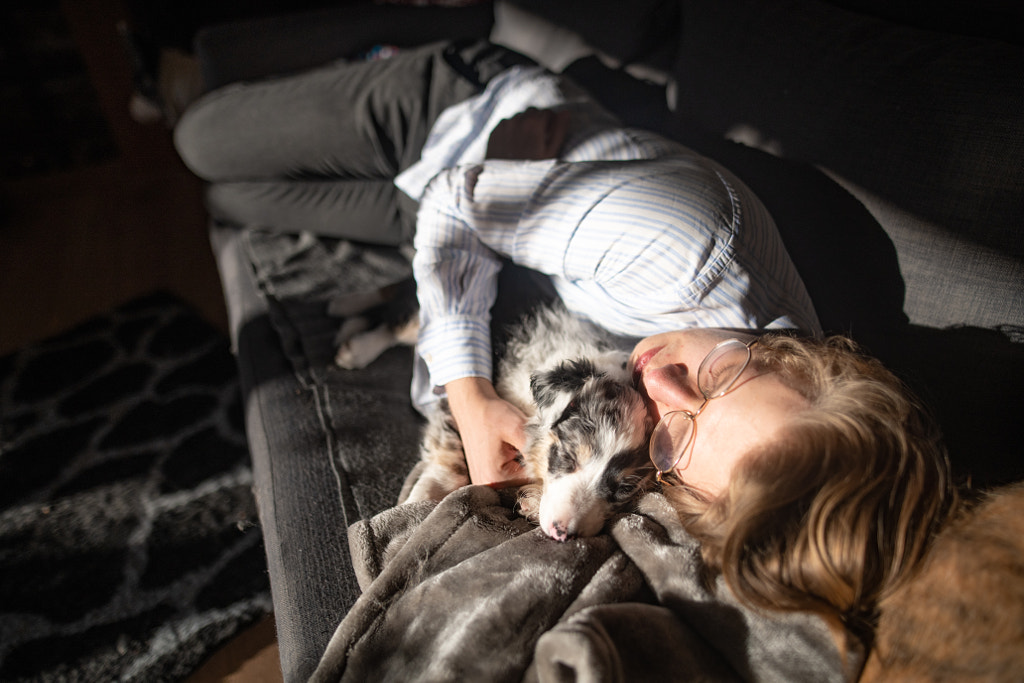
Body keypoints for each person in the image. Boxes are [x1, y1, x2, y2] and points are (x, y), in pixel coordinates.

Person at [174, 38, 955, 637]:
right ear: (806, 359)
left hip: (480, 220)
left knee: (233, 198)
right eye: (723, 375)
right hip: (466, 123)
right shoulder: (676, 243)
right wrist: (471, 397)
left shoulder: (748, 460)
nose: (660, 382)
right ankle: (393, 45)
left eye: (674, 445)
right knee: (199, 142)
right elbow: (453, 200)